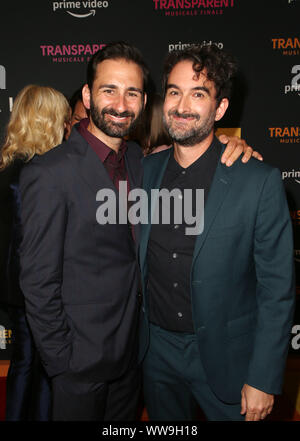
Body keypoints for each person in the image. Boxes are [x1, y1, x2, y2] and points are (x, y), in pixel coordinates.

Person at [19, 41, 259, 421]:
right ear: (87, 94)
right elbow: (36, 280)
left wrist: (230, 143)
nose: (120, 103)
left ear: (144, 101)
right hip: (78, 366)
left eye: (131, 92)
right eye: (108, 90)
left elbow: (195, 152)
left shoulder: (141, 161)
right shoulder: (49, 174)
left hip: (135, 357)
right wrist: (62, 361)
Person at [139, 44, 295, 421]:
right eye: (174, 92)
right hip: (155, 353)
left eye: (198, 93)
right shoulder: (143, 172)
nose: (182, 105)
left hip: (229, 359)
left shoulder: (258, 182)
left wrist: (263, 377)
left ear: (220, 108)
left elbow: (277, 288)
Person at [0, 84, 71, 420]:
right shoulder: (34, 174)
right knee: (38, 366)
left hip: (17, 289)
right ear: (49, 121)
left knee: (28, 363)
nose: (68, 126)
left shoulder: (9, 168)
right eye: (64, 119)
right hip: (33, 289)